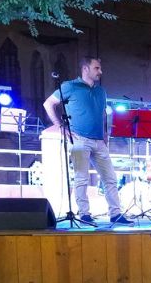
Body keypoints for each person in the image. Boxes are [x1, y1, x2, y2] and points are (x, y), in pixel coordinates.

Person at [43, 56, 132, 225]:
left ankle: (115, 214)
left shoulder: (101, 91)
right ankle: (84, 213)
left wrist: (106, 133)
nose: (100, 71)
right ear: (85, 69)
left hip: (99, 140)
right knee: (81, 177)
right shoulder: (70, 86)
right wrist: (60, 126)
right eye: (97, 68)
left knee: (110, 178)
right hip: (79, 138)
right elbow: (49, 104)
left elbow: (104, 113)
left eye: (100, 68)